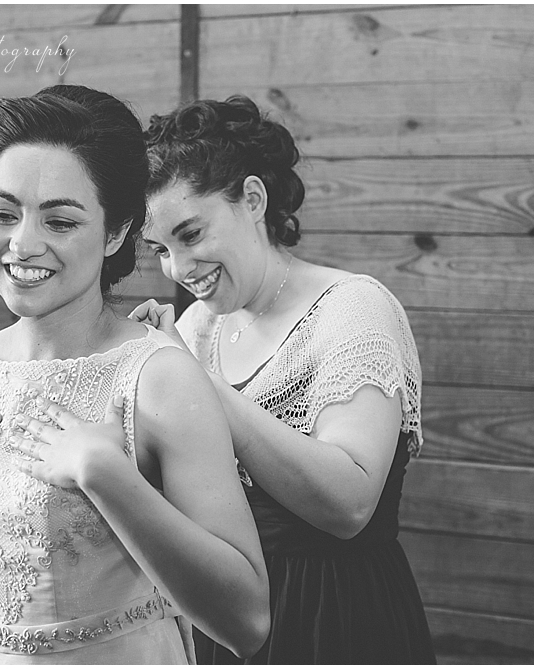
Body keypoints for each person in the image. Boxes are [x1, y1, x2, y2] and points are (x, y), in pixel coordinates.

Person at [0, 85, 269, 664]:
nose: (23, 244)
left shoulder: (158, 377)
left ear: (117, 232)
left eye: (61, 221)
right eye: (3, 214)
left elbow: (246, 622)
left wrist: (108, 476)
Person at [131, 95, 436, 664]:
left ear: (252, 199)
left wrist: (196, 384)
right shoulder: (194, 330)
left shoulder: (352, 310)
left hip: (338, 617)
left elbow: (347, 506)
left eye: (191, 234)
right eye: (160, 250)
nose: (178, 269)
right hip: (228, 623)